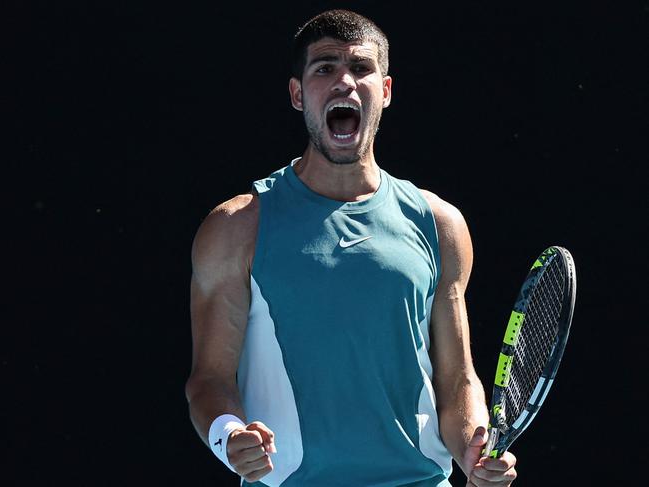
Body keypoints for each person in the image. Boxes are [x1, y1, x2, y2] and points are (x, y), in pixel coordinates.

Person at [185, 9, 517, 487]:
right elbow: (209, 379)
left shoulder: (440, 224)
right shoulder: (237, 227)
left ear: (384, 91)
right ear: (299, 95)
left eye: (361, 68)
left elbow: (457, 378)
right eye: (324, 68)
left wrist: (473, 448)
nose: (344, 81)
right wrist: (229, 435)